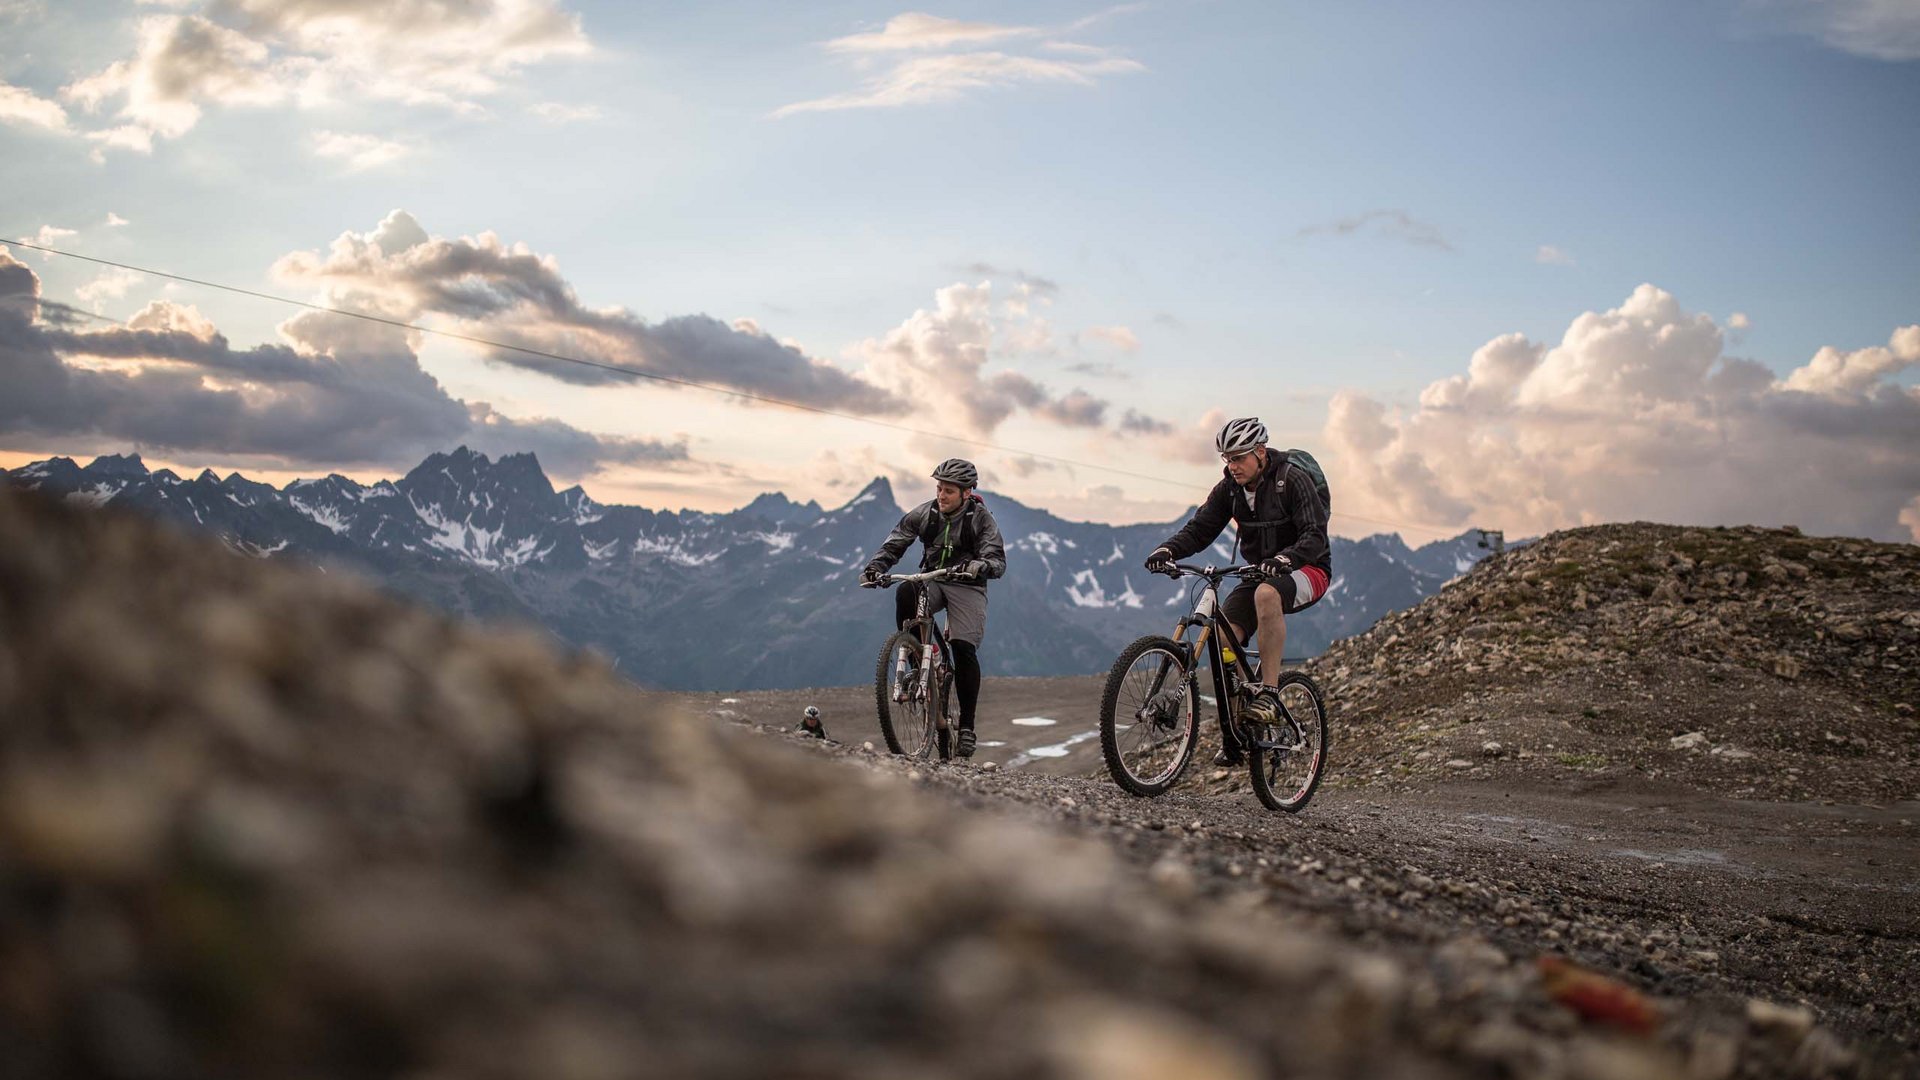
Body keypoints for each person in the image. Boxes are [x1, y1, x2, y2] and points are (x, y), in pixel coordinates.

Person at [1144, 417, 1331, 764]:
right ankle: (1238, 731)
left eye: (1239, 457)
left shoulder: (1292, 479)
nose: (1232, 466)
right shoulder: (1229, 488)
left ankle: (1270, 695)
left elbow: (1314, 534)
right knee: (1222, 638)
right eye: (1227, 459)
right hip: (1257, 573)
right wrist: (1168, 550)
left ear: (1260, 452)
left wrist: (1285, 558)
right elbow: (1201, 528)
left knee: (1266, 595)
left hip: (1308, 568)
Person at [859, 458, 1007, 759]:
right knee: (905, 592)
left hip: (968, 585)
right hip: (934, 580)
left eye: (949, 490)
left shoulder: (980, 519)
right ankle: (921, 657)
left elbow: (998, 561)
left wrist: (982, 565)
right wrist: (876, 566)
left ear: (966, 493)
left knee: (963, 648)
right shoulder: (925, 513)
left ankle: (966, 727)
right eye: (939, 488)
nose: (941, 495)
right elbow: (896, 542)